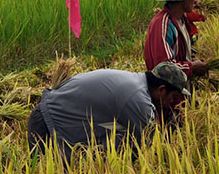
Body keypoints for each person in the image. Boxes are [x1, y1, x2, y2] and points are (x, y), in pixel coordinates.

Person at [27, 62, 189, 161]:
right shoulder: (138, 99)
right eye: (173, 96)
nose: (171, 103)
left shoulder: (135, 83)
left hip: (50, 118)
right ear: (161, 90)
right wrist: (180, 161)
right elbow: (152, 143)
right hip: (46, 125)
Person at [144, 0, 209, 81]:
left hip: (180, 90)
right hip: (166, 94)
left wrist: (192, 61)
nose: (195, 0)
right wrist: (192, 67)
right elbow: (163, 68)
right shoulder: (162, 24)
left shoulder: (182, 19)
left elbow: (178, 56)